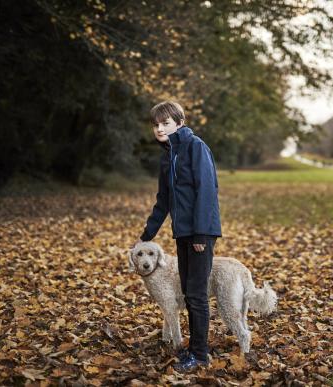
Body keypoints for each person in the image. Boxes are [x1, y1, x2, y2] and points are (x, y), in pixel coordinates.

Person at [135, 100, 222, 373]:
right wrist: (145, 236)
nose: (160, 128)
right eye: (156, 125)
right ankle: (195, 346)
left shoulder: (196, 147)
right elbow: (163, 201)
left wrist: (200, 233)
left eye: (165, 123)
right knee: (189, 292)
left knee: (196, 295)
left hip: (200, 233)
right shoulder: (168, 155)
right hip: (182, 234)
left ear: (180, 123)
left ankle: (200, 355)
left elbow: (207, 191)